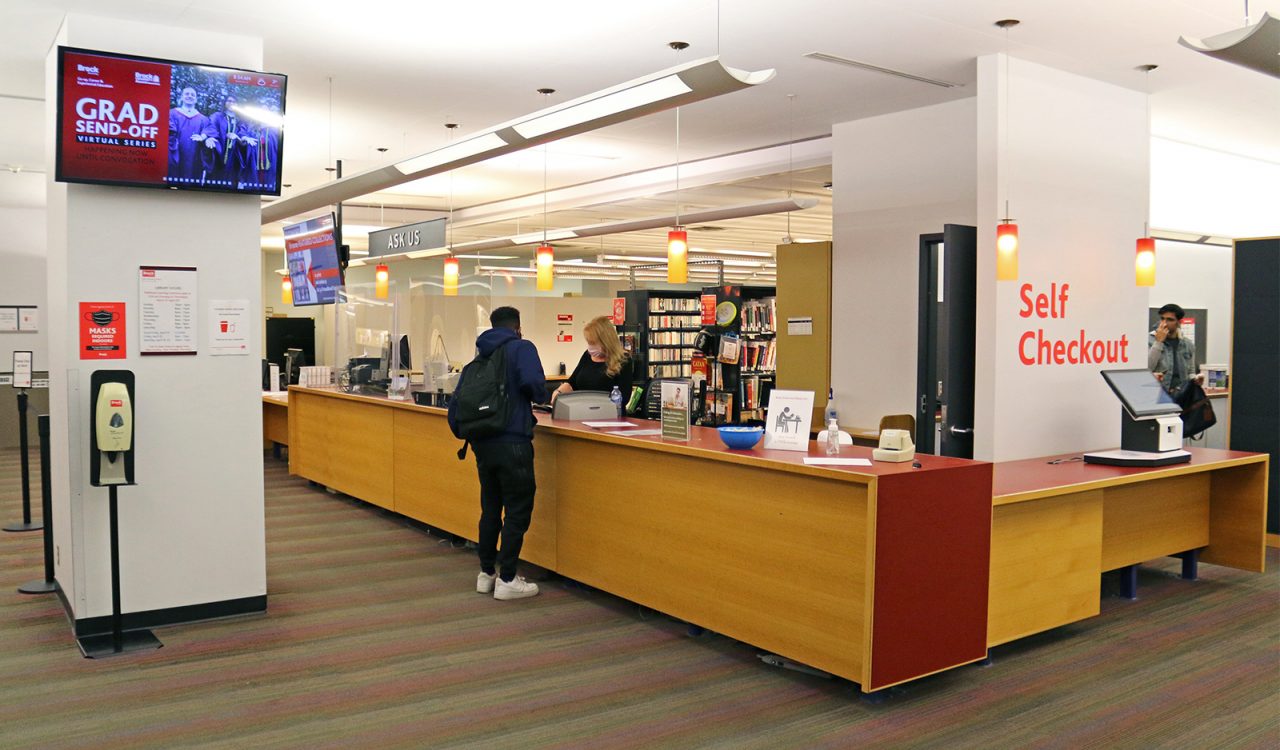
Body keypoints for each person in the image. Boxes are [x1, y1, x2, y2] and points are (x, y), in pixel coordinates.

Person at [447, 306, 546, 600]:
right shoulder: (521, 348)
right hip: (513, 440)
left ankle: (486, 573)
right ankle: (508, 578)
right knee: (518, 508)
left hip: (482, 444)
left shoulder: (477, 359)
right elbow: (535, 387)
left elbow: (456, 412)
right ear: (517, 326)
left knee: (491, 507)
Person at [550, 316, 633, 405]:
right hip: (582, 411)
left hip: (609, 414)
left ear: (605, 341)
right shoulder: (587, 355)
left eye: (593, 343)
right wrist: (558, 392)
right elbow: (572, 383)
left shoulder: (623, 359)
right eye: (589, 342)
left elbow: (624, 397)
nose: (590, 346)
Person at [1148, 303, 1200, 394]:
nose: (1164, 323)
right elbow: (1147, 367)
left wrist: (1195, 379)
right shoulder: (1149, 340)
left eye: (1170, 320)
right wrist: (1158, 342)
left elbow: (1190, 372)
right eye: (1162, 319)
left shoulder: (1188, 344)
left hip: (1181, 396)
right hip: (1157, 395)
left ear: (1179, 322)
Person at [204, 94, 247, 188]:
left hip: (233, 156)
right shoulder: (217, 116)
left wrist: (239, 138)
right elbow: (211, 127)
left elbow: (242, 134)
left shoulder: (240, 120)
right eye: (229, 101)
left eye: (234, 101)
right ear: (225, 103)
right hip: (218, 152)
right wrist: (210, 137)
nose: (231, 103)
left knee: (230, 182)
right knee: (214, 181)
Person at [168, 86, 209, 183]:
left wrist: (204, 137)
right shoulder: (172, 114)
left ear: (196, 100)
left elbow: (209, 130)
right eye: (187, 94)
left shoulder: (204, 119)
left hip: (195, 156)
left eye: (193, 95)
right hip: (177, 152)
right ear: (181, 97)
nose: (190, 96)